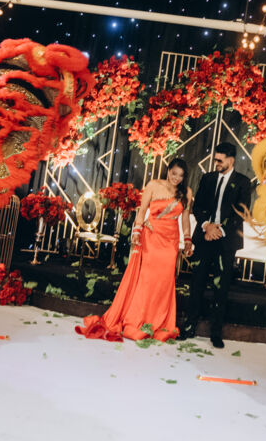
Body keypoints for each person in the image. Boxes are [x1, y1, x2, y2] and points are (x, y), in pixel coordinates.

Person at [76, 161, 193, 342]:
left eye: (180, 175)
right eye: (174, 173)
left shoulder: (186, 192)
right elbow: (142, 211)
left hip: (171, 241)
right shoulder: (153, 185)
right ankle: (138, 319)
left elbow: (185, 219)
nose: (176, 178)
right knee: (147, 279)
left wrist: (187, 239)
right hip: (152, 237)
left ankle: (158, 322)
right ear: (168, 171)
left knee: (164, 281)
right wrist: (137, 231)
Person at [183, 143, 252, 348]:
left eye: (220, 160)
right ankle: (190, 325)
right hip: (205, 238)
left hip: (226, 241)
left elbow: (242, 212)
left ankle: (216, 332)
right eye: (215, 160)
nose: (217, 163)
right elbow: (198, 206)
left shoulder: (243, 182)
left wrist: (219, 231)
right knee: (197, 283)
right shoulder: (207, 178)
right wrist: (207, 226)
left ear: (231, 160)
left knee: (221, 288)